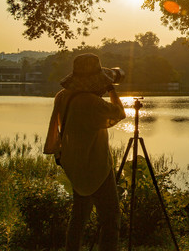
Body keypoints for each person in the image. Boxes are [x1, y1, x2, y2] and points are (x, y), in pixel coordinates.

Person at [43, 53, 126, 251]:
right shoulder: (91, 103)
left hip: (73, 163)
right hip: (95, 165)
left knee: (79, 216)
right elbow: (119, 113)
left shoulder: (63, 96)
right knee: (111, 217)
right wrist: (112, 91)